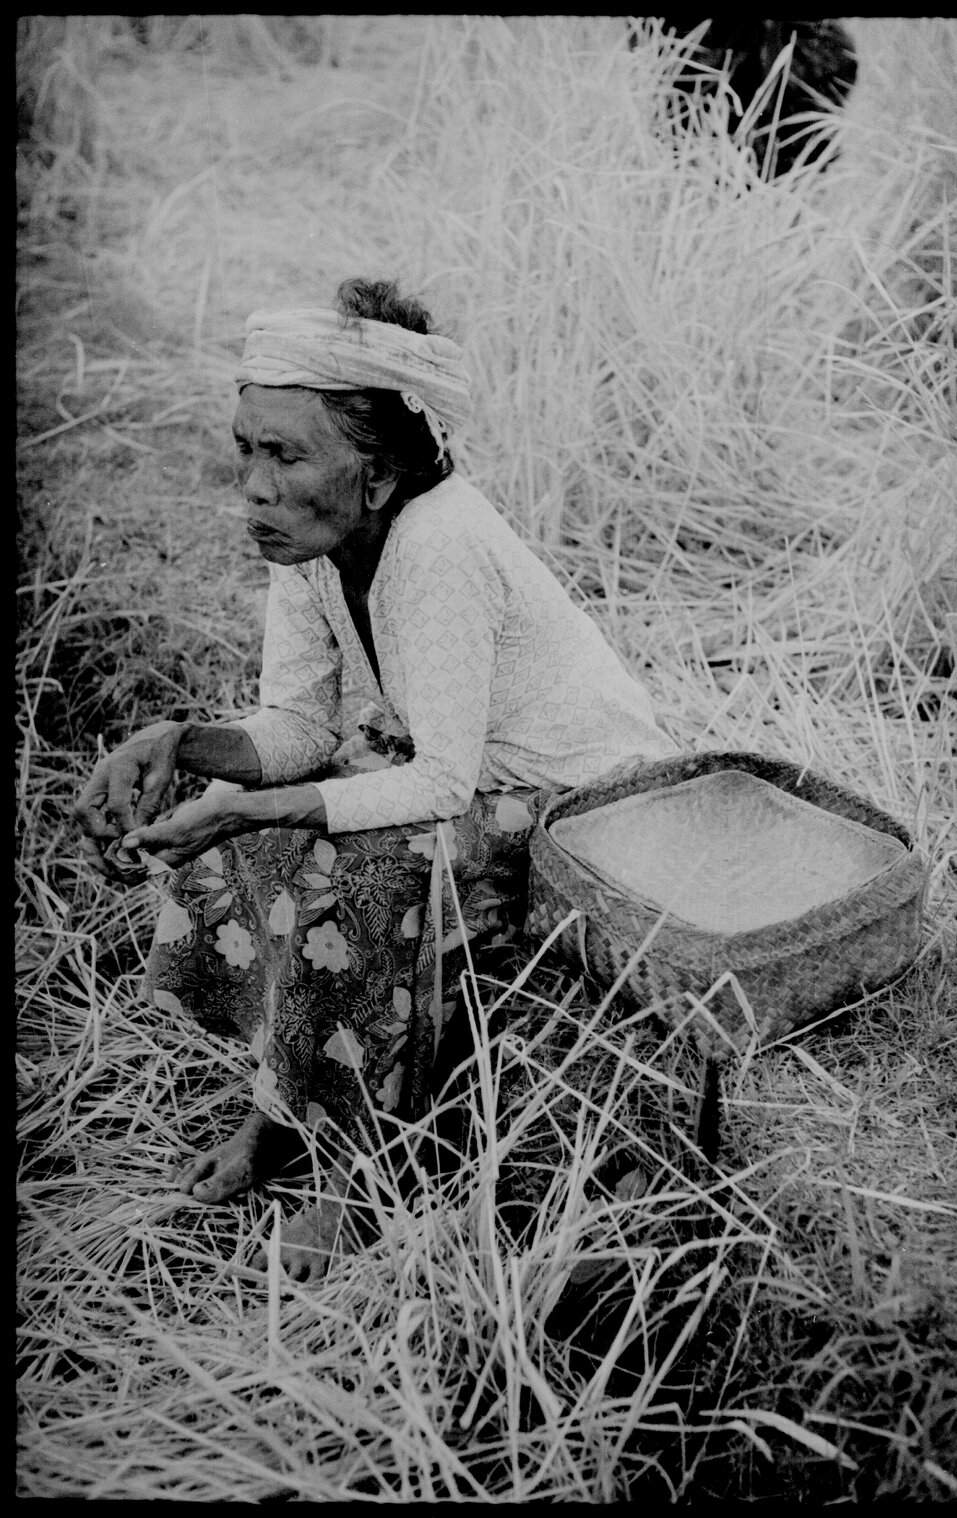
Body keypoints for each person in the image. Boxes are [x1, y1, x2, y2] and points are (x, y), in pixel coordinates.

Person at [74, 278, 674, 1281]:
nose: (255, 487)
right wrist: (181, 744)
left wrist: (264, 803)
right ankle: (281, 1116)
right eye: (247, 450)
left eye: (287, 455)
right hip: (472, 775)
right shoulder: (308, 542)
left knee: (362, 877)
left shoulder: (438, 545)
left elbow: (439, 783)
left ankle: (366, 1174)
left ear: (379, 479)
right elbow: (301, 726)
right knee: (260, 840)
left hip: (585, 803)